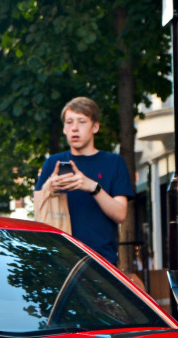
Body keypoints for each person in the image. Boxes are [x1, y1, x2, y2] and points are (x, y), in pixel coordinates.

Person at [32, 97, 135, 264]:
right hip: (59, 260)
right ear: (64, 129)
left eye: (81, 122)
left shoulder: (114, 162)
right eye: (69, 122)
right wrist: (48, 187)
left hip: (101, 261)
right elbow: (38, 211)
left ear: (95, 127)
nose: (74, 128)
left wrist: (92, 187)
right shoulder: (53, 163)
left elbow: (120, 214)